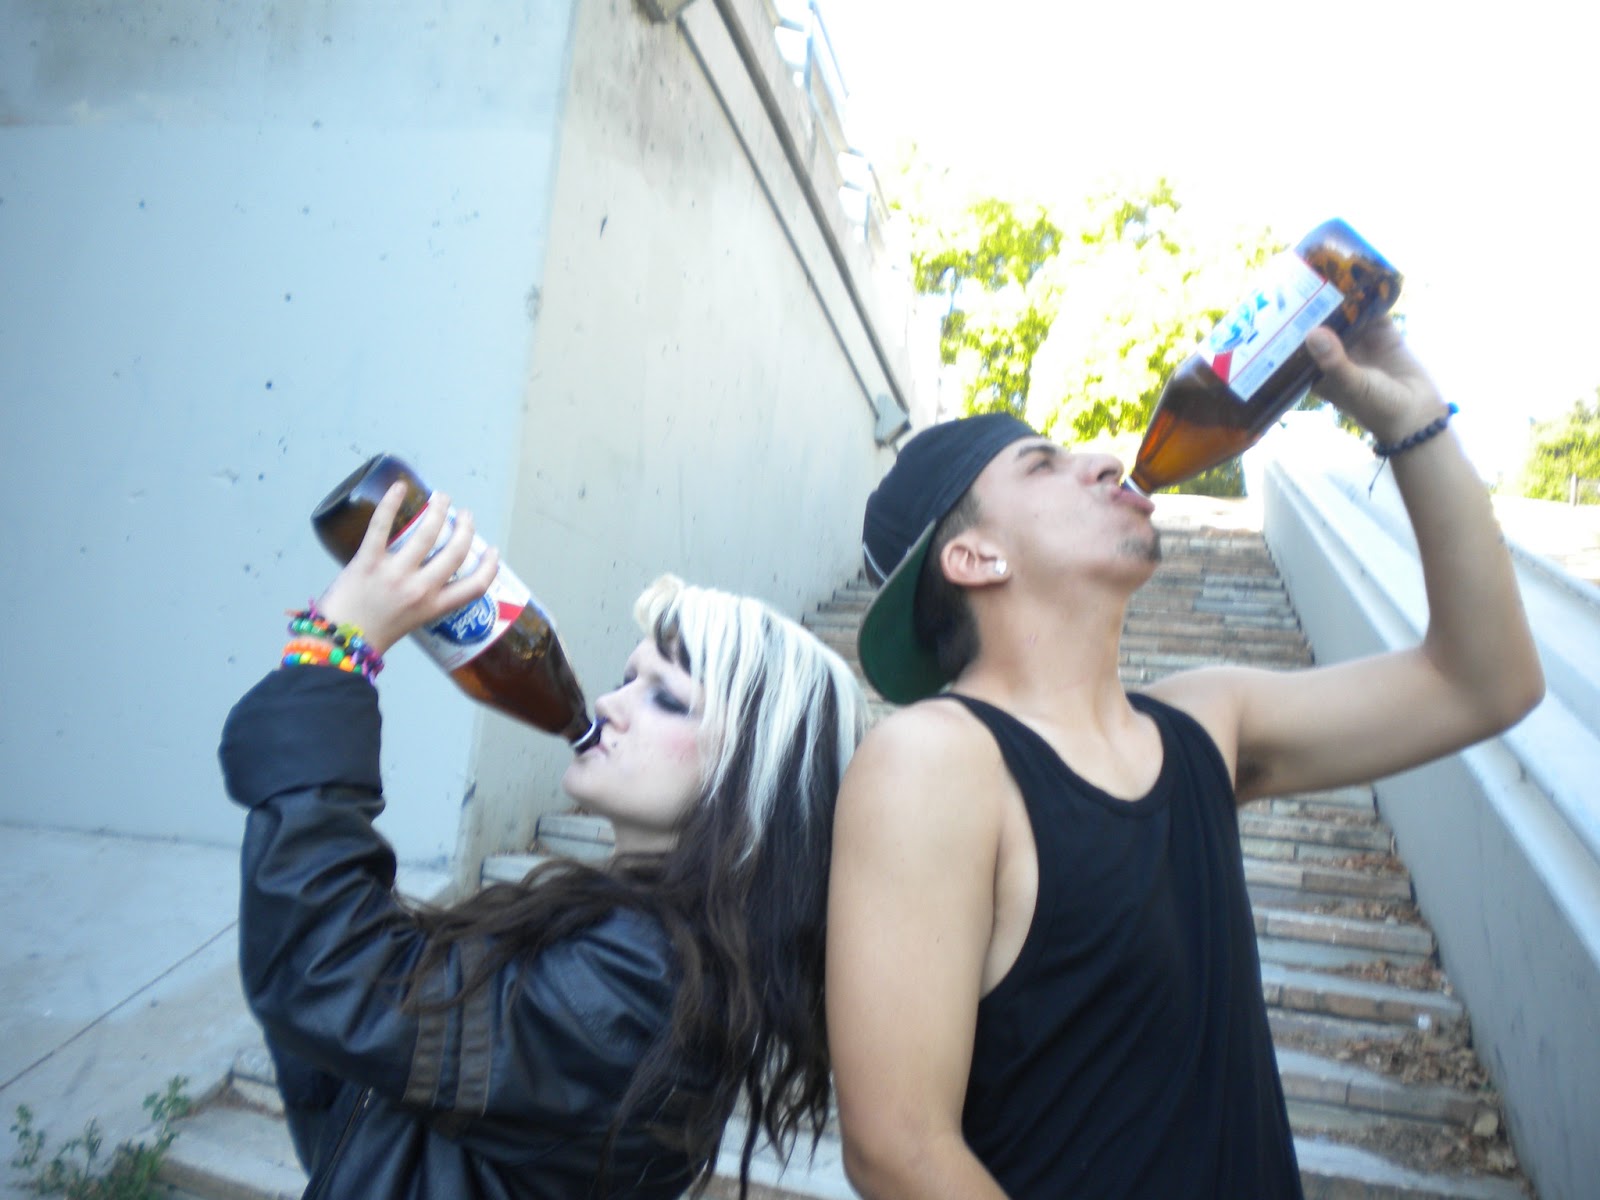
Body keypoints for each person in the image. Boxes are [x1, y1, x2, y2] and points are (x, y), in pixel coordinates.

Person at [825, 319, 1545, 1199]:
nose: (1103, 461)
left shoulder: (1206, 722)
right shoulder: (934, 762)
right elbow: (897, 1147)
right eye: (1042, 465)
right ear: (974, 556)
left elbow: (1486, 682)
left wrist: (1413, 419)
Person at [219, 481, 868, 1199]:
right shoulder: (634, 946)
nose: (608, 704)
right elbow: (362, 1072)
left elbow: (333, 982)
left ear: (753, 782)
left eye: (665, 697)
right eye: (627, 679)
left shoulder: (640, 988)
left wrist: (334, 654)